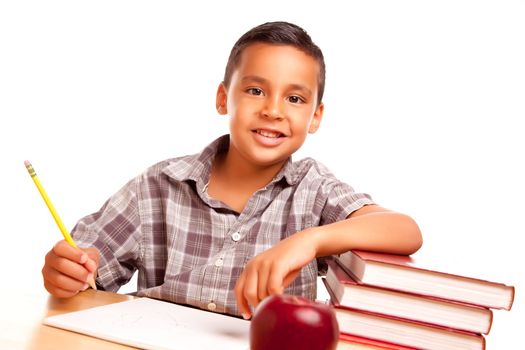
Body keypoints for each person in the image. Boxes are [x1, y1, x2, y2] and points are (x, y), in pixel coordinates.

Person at [42, 21, 422, 319]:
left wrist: (308, 241)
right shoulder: (158, 186)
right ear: (224, 98)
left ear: (315, 116)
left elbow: (405, 230)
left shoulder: (314, 190)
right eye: (255, 90)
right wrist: (67, 272)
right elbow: (84, 271)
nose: (273, 110)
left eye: (294, 98)